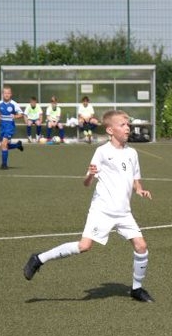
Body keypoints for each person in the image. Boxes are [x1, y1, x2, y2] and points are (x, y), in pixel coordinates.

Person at [23, 110, 155, 302]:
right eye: (122, 125)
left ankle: (137, 289)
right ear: (110, 130)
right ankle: (39, 259)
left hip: (124, 212)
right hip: (102, 210)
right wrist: (91, 174)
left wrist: (140, 190)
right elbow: (86, 182)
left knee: (141, 246)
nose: (127, 128)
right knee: (84, 246)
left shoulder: (132, 153)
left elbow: (136, 180)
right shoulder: (102, 152)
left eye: (128, 124)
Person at [0, 85, 24, 170]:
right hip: (2, 126)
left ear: (11, 94)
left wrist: (15, 116)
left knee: (4, 144)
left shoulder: (14, 104)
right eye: (5, 93)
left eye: (8, 93)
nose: (7, 95)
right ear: (2, 94)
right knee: (4, 145)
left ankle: (4, 165)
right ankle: (17, 145)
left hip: (10, 126)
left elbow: (21, 114)